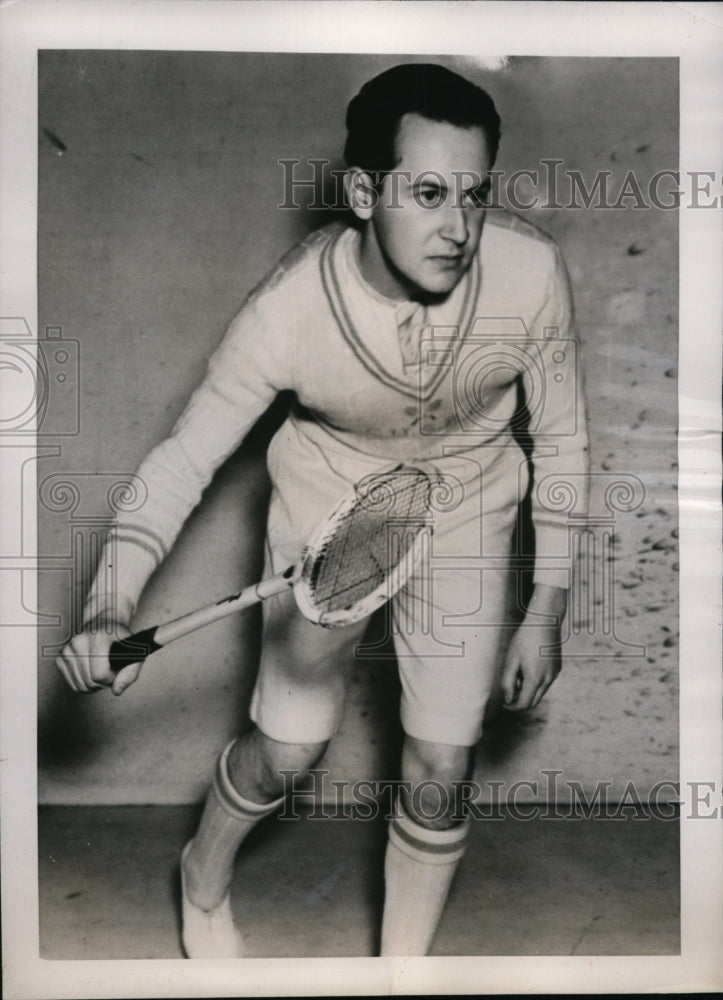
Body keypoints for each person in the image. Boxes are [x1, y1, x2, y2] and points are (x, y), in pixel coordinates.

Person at [55, 62, 588, 957]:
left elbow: (564, 442)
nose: (458, 227)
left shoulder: (531, 276)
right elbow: (181, 462)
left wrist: (547, 607)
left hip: (467, 504)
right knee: (289, 754)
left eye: (474, 194)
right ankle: (201, 872)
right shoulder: (285, 313)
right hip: (328, 497)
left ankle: (400, 976)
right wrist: (110, 604)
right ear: (361, 192)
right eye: (425, 192)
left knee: (440, 767)